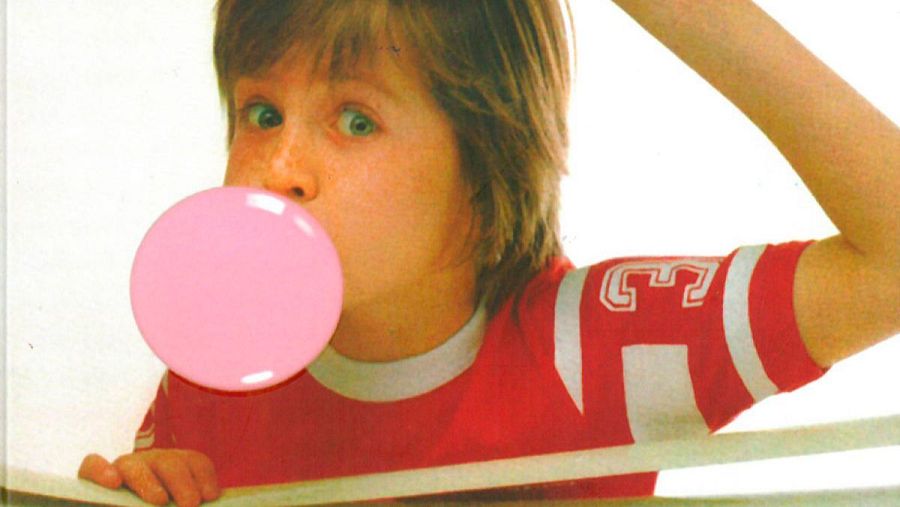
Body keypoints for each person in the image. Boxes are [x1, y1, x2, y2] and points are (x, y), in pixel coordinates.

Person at [78, 0, 899, 505]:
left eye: (355, 119)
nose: (280, 168)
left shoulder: (603, 350)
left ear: (485, 168)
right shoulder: (215, 371)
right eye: (261, 113)